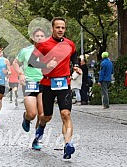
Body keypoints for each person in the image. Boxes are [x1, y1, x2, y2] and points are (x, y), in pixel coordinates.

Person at [28, 17, 81, 159]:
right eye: (58, 27)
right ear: (52, 28)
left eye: (63, 28)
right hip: (47, 84)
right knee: (46, 116)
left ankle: (68, 145)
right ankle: (40, 130)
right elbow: (32, 62)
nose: (60, 30)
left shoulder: (70, 44)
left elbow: (74, 55)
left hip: (64, 84)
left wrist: (75, 65)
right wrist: (45, 65)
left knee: (66, 114)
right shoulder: (43, 44)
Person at [13, 27, 46, 134]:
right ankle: (26, 118)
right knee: (32, 114)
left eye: (42, 36)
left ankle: (37, 138)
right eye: (37, 36)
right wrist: (21, 74)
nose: (40, 38)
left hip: (44, 83)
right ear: (33, 38)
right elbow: (16, 63)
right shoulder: (26, 51)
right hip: (30, 83)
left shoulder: (49, 50)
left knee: (42, 115)